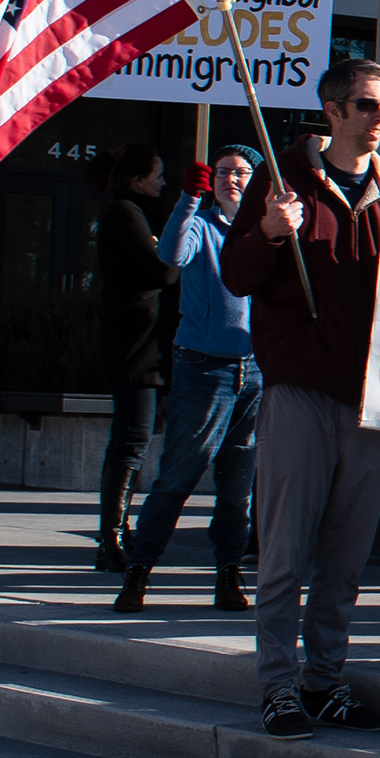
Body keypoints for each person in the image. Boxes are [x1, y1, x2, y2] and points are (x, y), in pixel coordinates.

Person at [222, 58, 380, 736]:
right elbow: (237, 275)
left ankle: (325, 680)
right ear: (332, 111)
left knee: (345, 557)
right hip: (300, 394)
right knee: (284, 553)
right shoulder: (284, 183)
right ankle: (277, 686)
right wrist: (271, 233)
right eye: (365, 105)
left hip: (374, 400)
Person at [113, 143, 261, 614]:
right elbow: (170, 255)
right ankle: (138, 573)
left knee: (239, 486)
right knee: (179, 475)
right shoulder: (199, 224)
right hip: (204, 367)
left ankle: (228, 574)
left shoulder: (266, 231)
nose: (230, 179)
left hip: (255, 371)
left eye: (240, 172)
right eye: (222, 172)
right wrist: (187, 200)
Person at [92, 143, 179, 572]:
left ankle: (116, 531)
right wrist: (172, 252)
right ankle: (111, 537)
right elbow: (161, 271)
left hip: (143, 345)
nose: (162, 183)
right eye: (158, 174)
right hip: (134, 347)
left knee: (134, 438)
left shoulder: (135, 215)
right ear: (137, 179)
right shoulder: (124, 212)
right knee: (131, 439)